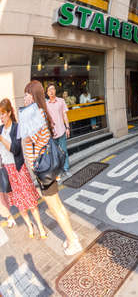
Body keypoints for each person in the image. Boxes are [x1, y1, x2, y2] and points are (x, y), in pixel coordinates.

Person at [22, 80, 81, 255]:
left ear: (34, 96)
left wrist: (25, 114)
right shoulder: (41, 112)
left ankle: (72, 241)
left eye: (27, 94)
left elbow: (27, 139)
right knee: (58, 205)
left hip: (43, 169)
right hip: (47, 167)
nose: (25, 97)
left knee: (54, 208)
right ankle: (73, 236)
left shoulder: (34, 115)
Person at [0, 98, 47, 239]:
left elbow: (15, 149)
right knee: (20, 203)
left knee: (30, 201)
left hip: (19, 169)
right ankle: (29, 225)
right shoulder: (0, 129)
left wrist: (1, 139)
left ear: (9, 113)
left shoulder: (16, 127)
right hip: (7, 170)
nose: (1, 117)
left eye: (3, 114)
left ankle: (39, 226)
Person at [46, 84, 71, 177]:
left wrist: (67, 127)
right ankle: (59, 170)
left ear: (55, 90)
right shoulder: (46, 104)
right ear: (47, 93)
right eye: (49, 90)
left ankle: (66, 168)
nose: (51, 91)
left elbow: (65, 115)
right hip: (52, 133)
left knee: (64, 151)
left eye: (53, 89)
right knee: (55, 153)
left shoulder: (61, 101)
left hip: (61, 130)